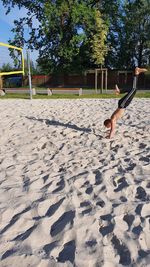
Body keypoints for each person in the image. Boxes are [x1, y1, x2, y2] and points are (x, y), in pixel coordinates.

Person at [104, 67, 147, 138]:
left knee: (133, 89)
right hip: (122, 104)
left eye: (107, 126)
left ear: (109, 123)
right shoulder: (112, 119)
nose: (108, 127)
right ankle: (119, 91)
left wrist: (110, 136)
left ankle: (136, 72)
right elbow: (112, 128)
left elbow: (113, 129)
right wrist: (108, 133)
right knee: (132, 90)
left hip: (122, 105)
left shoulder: (112, 120)